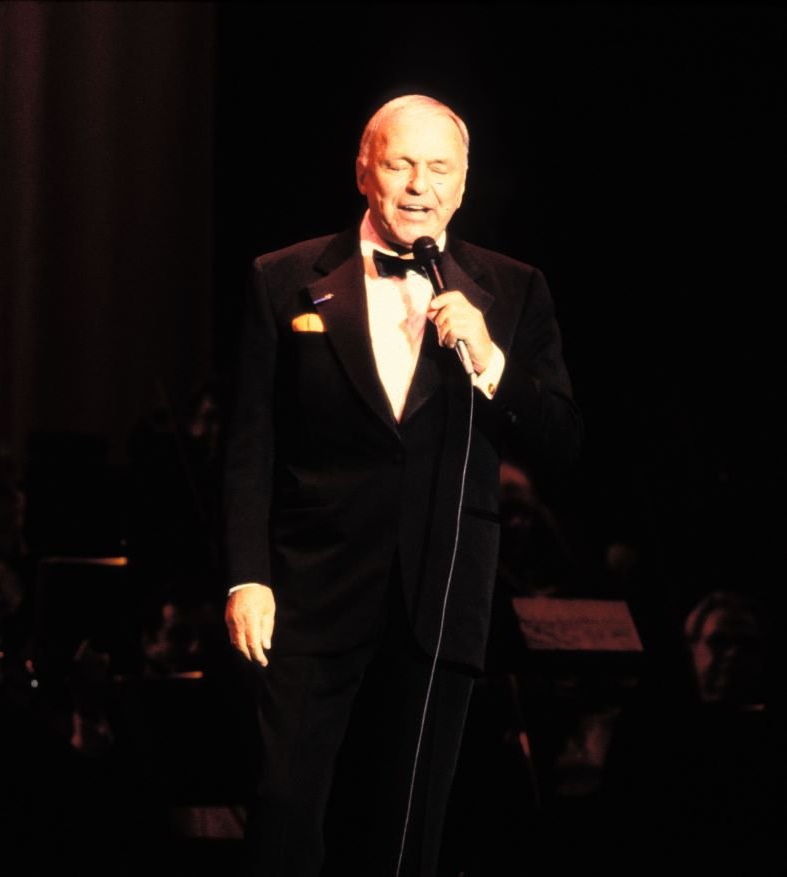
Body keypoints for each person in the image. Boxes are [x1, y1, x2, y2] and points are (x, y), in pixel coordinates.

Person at [222, 94, 581, 875]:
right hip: (309, 590)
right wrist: (247, 574)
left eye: (439, 168)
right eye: (400, 163)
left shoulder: (512, 290)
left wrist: (491, 361)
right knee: (284, 813)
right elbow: (250, 442)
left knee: (403, 832)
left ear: (463, 185)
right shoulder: (283, 278)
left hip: (442, 592)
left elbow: (560, 438)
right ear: (363, 169)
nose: (419, 184)